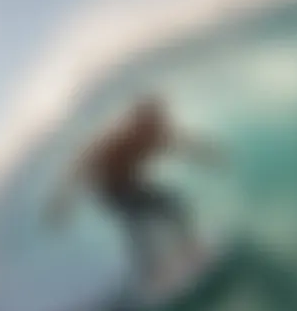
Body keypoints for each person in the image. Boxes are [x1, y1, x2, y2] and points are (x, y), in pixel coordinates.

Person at [46, 95, 221, 282]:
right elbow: (81, 163)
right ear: (137, 122)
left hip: (132, 183)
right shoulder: (118, 139)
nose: (153, 127)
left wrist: (207, 154)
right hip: (111, 190)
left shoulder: (157, 134)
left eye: (156, 121)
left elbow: (183, 144)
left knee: (172, 206)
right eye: (146, 123)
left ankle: (191, 252)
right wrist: (62, 202)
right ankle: (152, 274)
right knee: (139, 224)